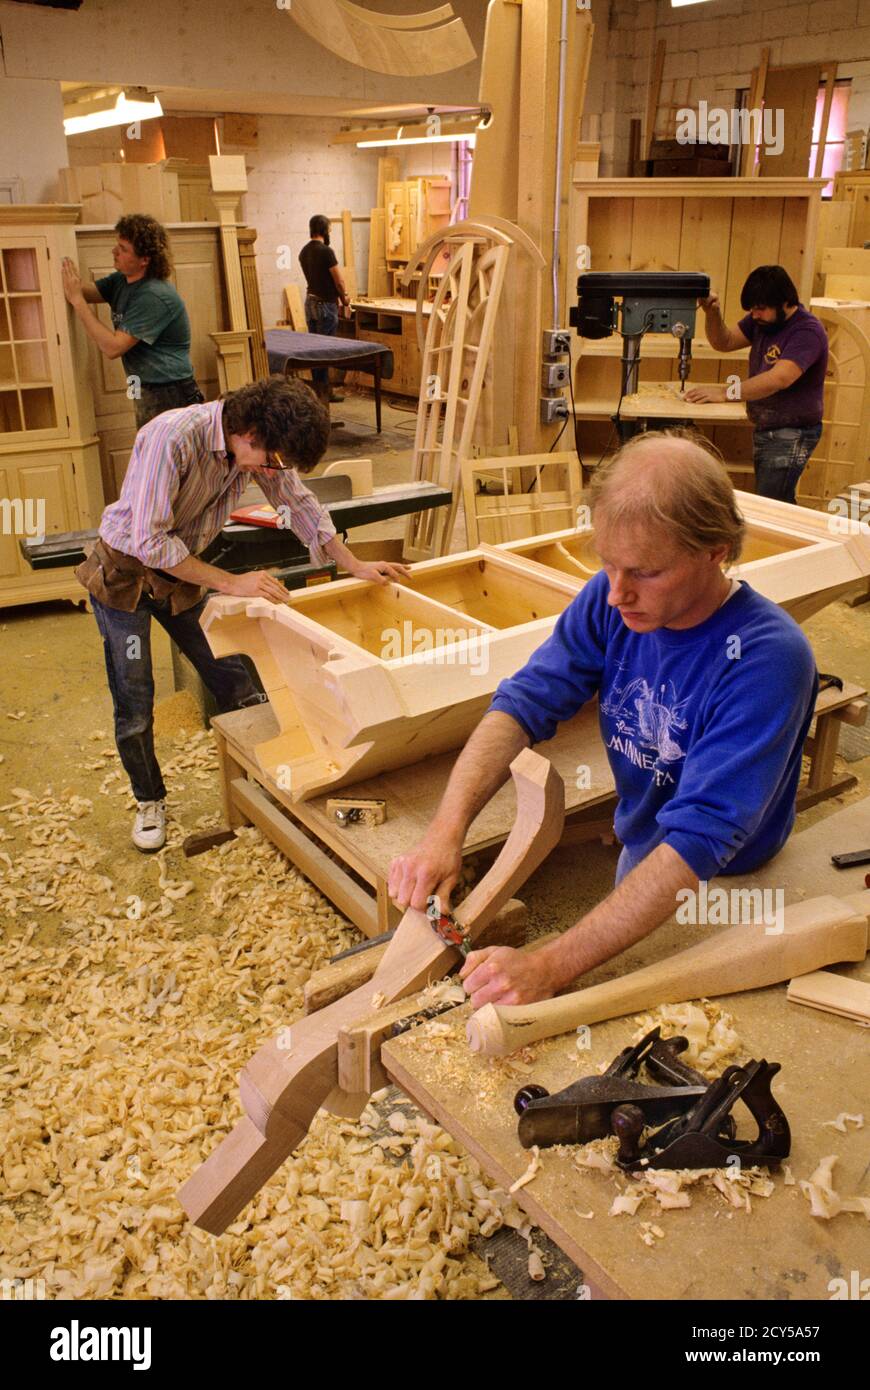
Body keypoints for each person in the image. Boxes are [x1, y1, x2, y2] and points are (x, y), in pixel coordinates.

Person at [388, 432, 818, 1010]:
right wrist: (446, 832)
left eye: (644, 572)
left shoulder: (767, 658)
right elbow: (522, 704)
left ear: (715, 551)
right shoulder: (611, 596)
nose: (617, 594)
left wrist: (548, 965)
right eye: (608, 564)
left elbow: (700, 841)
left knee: (682, 1019)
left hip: (731, 883)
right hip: (649, 849)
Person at [76, 376, 410, 853]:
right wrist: (233, 583)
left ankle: (267, 776)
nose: (275, 471)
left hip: (179, 573)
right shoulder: (173, 437)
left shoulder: (256, 448)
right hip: (125, 574)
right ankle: (150, 800)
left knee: (234, 677)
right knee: (134, 698)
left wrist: (351, 563)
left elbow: (298, 503)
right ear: (248, 432)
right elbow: (148, 542)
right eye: (273, 459)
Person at [685, 265, 828, 505]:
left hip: (793, 432)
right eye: (752, 309)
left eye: (760, 309)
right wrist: (712, 313)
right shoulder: (763, 321)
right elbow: (725, 341)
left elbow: (779, 378)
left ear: (785, 302)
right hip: (769, 427)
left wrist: (725, 392)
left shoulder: (807, 331)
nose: (754, 314)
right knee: (777, 503)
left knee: (772, 506)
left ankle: (792, 543)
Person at [61, 213, 204, 429]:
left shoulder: (153, 295)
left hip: (169, 391)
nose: (114, 251)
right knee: (148, 454)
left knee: (162, 460)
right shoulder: (121, 281)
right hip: (142, 385)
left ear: (144, 260)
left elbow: (112, 348)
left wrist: (78, 302)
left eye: (123, 248)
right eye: (117, 245)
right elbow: (86, 291)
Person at [298, 214, 351, 403]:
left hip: (310, 303)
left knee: (314, 351)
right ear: (324, 230)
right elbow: (339, 280)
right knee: (325, 350)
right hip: (325, 306)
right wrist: (345, 299)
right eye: (329, 229)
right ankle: (325, 393)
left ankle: (318, 393)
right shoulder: (326, 251)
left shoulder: (303, 252)